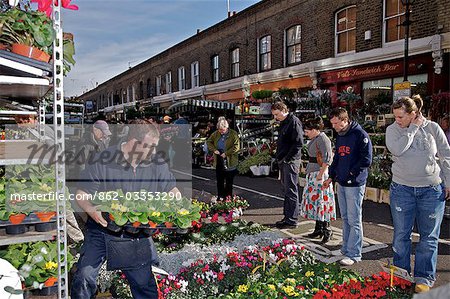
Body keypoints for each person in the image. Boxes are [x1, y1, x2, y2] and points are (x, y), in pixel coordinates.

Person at [71, 119, 181, 299]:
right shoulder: (103, 159)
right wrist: (93, 211)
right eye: (150, 146)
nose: (153, 151)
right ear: (133, 142)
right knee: (84, 276)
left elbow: (172, 189)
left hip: (135, 233)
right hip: (101, 230)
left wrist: (177, 206)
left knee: (143, 283)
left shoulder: (157, 163)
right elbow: (81, 194)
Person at [386, 96, 450, 293]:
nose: (397, 120)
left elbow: (446, 154)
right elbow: (397, 149)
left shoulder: (433, 128)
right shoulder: (393, 130)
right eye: (395, 116)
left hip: (431, 189)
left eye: (401, 116)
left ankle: (424, 278)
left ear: (413, 114)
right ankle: (401, 274)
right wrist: (412, 129)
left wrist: (449, 182)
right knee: (401, 235)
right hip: (402, 189)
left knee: (429, 237)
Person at [323, 107, 372, 266]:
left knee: (354, 219)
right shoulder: (341, 135)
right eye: (332, 124)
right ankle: (346, 248)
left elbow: (366, 160)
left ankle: (354, 253)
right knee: (345, 218)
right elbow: (337, 157)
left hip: (355, 183)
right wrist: (331, 176)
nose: (334, 127)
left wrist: (351, 174)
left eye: (336, 123)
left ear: (345, 120)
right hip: (342, 182)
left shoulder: (360, 135)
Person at [300, 117, 336, 244]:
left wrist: (320, 175)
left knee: (321, 201)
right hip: (314, 172)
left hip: (320, 174)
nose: (306, 133)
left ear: (315, 130)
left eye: (307, 131)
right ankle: (318, 229)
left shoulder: (323, 139)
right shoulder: (317, 138)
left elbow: (328, 158)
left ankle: (326, 229)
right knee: (316, 202)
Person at [271, 101, 304, 229]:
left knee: (290, 190)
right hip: (285, 160)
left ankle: (292, 219)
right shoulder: (285, 122)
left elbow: (299, 143)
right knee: (286, 190)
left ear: (284, 110)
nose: (275, 117)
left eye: (277, 114)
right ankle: (287, 217)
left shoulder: (294, 122)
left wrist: (287, 158)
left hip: (290, 161)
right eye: (274, 115)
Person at [207, 116, 240, 199]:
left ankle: (228, 198)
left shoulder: (233, 134)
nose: (221, 132)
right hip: (219, 160)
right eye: (219, 130)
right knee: (219, 181)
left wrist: (226, 153)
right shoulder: (216, 133)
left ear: (226, 127)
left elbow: (236, 147)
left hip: (230, 160)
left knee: (229, 182)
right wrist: (214, 150)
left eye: (222, 130)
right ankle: (220, 196)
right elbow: (209, 142)